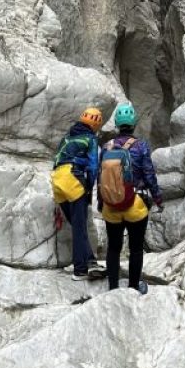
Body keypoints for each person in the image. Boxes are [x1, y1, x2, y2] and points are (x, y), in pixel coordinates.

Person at [98, 102, 163, 294]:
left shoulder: (106, 147)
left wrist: (102, 203)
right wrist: (158, 199)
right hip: (135, 205)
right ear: (133, 124)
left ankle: (113, 288)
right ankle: (134, 286)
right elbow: (149, 174)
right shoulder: (141, 146)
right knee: (135, 248)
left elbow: (99, 178)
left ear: (117, 125)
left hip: (111, 207)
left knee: (114, 248)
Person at [51, 107, 104, 280]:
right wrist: (88, 187)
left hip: (57, 182)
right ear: (95, 124)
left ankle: (89, 260)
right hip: (73, 181)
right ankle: (80, 270)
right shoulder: (91, 139)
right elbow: (94, 166)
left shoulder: (66, 137)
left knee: (78, 226)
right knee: (79, 228)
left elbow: (56, 160)